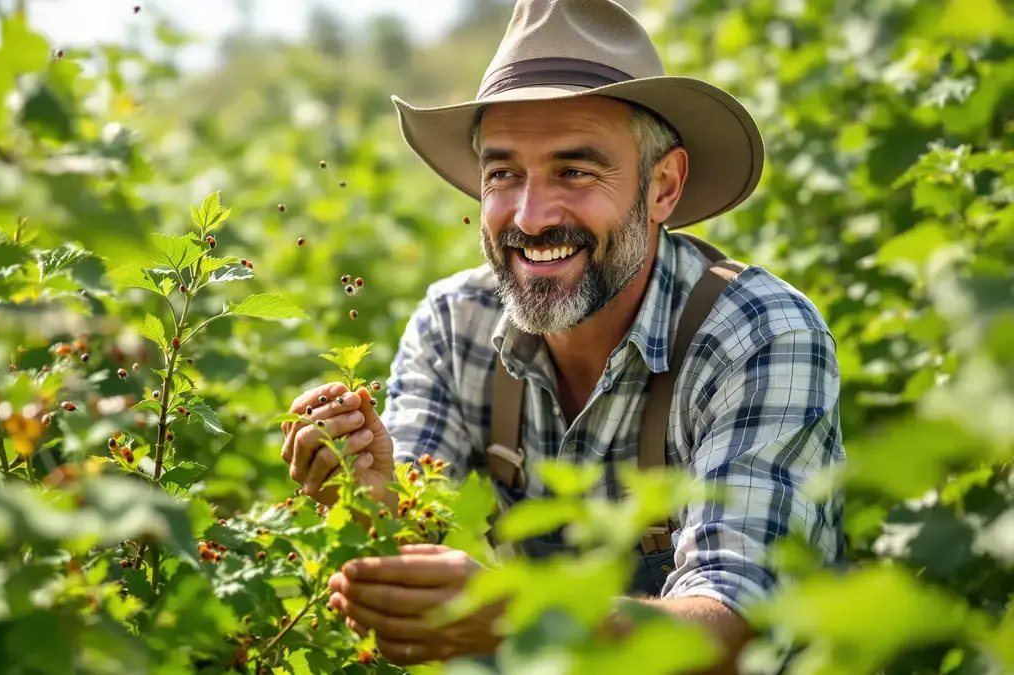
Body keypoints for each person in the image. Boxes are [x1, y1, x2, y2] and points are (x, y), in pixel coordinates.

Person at [279, 0, 846, 671]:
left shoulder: (755, 333)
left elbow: (741, 624)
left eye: (575, 171)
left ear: (662, 187)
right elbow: (412, 580)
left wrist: (521, 612)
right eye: (503, 173)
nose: (531, 215)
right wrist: (365, 504)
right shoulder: (453, 324)